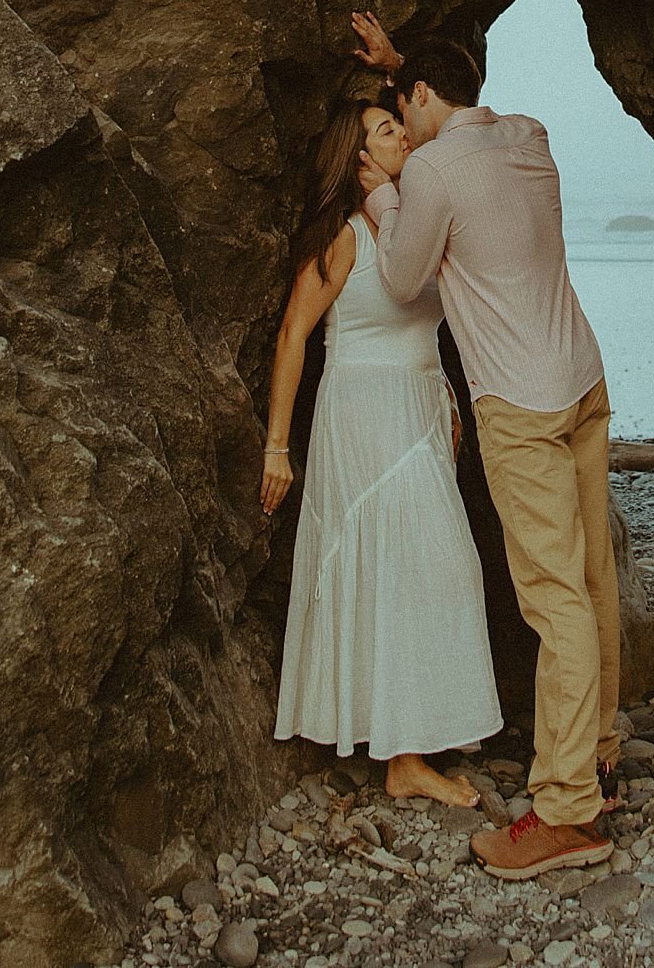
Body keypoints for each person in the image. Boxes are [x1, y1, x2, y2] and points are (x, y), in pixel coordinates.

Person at [350, 10, 621, 880]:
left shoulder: (429, 169)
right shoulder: (528, 136)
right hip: (582, 378)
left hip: (520, 402)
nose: (401, 114)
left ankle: (570, 812)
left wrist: (383, 194)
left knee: (554, 601)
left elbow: (399, 278)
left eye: (403, 98)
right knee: (593, 581)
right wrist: (412, 66)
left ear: (422, 97)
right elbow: (466, 113)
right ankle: (600, 758)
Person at [262, 98, 501, 804]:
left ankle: (407, 746)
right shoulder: (342, 238)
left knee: (432, 570)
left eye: (399, 123)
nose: (401, 134)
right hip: (362, 413)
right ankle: (404, 759)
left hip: (422, 408)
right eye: (385, 130)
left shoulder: (414, 225)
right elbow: (291, 336)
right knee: (412, 567)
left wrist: (449, 398)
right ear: (359, 159)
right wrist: (277, 446)